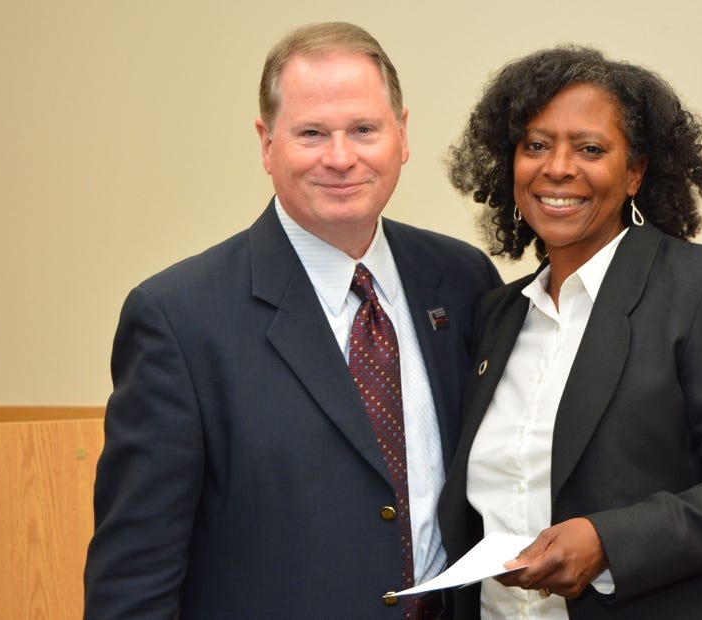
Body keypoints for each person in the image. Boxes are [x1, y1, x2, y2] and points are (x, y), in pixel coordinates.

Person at [83, 22, 501, 619]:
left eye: (363, 129)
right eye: (311, 132)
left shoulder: (461, 280)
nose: (340, 156)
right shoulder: (178, 319)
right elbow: (134, 578)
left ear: (401, 134)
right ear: (266, 142)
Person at [437, 45, 702, 619]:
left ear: (634, 173)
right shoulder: (497, 314)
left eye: (590, 149)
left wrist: (610, 543)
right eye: (535, 145)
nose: (557, 167)